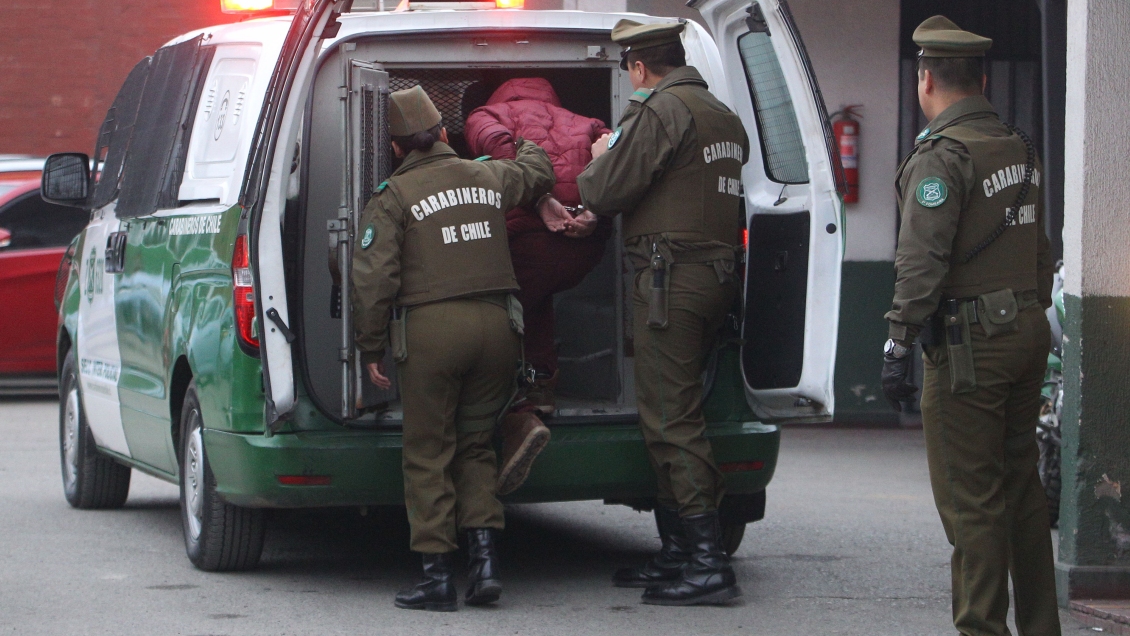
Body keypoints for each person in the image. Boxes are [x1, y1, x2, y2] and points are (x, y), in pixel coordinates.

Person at [881, 16, 1060, 635]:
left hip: (969, 346)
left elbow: (921, 261)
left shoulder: (942, 158)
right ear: (981, 79)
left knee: (971, 503)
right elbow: (1041, 252)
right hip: (1027, 332)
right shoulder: (1020, 148)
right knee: (1022, 494)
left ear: (925, 80)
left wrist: (899, 338)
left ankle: (981, 630)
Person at [351, 85, 555, 611]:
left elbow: (375, 278)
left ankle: (437, 575)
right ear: (444, 134)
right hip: (499, 331)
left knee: (428, 451)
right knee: (476, 444)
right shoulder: (487, 173)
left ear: (397, 148)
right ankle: (485, 564)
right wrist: (528, 136)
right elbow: (537, 173)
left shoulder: (392, 196)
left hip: (433, 333)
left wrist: (371, 346)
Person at [576, 20, 749, 606]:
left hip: (670, 283)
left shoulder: (659, 113)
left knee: (672, 418)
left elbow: (601, 190)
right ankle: (679, 552)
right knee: (673, 409)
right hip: (713, 279)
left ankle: (706, 562)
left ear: (639, 68)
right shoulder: (721, 114)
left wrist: (602, 153)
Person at [464, 77, 614, 495]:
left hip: (524, 242)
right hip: (582, 249)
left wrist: (538, 199)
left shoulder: (486, 116)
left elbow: (499, 149)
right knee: (536, 298)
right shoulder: (589, 123)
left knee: (498, 314)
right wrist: (594, 212)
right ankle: (543, 381)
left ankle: (520, 412)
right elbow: (617, 159)